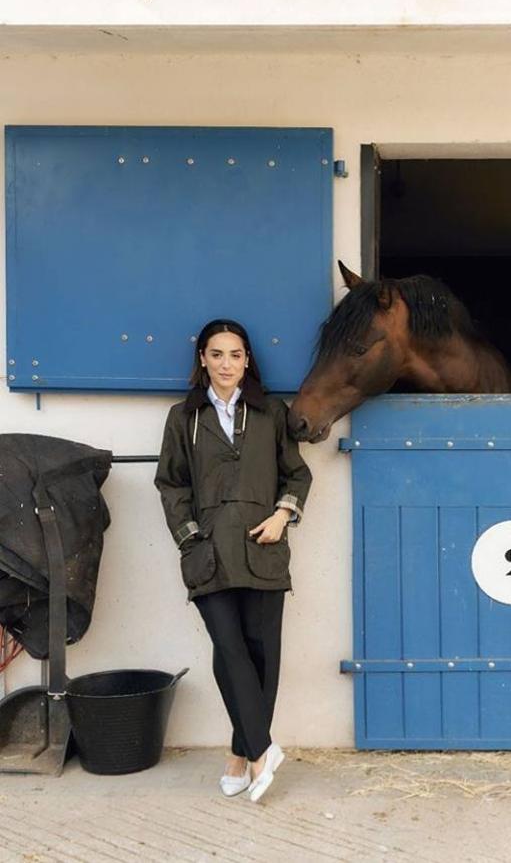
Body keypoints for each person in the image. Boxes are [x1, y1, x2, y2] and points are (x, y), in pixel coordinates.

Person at [155, 319, 312, 802]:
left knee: (262, 655)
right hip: (210, 553)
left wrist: (283, 516)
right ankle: (264, 750)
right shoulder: (184, 418)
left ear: (248, 361)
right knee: (229, 648)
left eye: (236, 355)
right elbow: (171, 484)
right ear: (202, 358)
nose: (227, 364)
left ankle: (240, 753)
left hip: (262, 549)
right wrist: (190, 540)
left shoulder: (270, 413)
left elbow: (297, 474)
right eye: (217, 354)